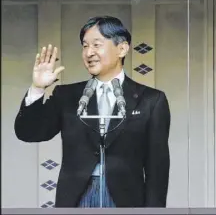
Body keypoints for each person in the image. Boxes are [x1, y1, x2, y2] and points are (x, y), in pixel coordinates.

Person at [14, 16, 171, 208]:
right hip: (76, 197)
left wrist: (154, 213)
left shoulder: (151, 100)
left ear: (122, 48)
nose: (89, 53)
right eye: (85, 46)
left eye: (97, 45)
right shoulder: (67, 96)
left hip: (127, 199)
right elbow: (29, 132)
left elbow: (158, 168)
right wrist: (37, 88)